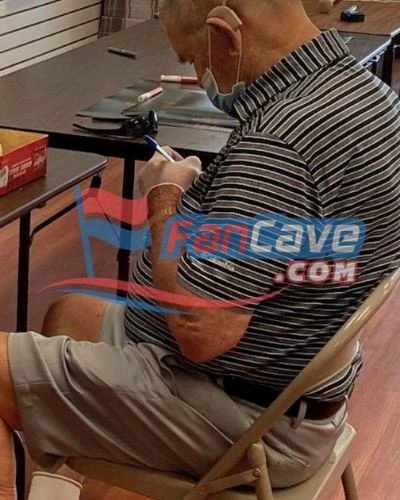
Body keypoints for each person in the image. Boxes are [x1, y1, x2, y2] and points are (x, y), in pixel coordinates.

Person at [1, 0, 400, 497]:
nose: (197, 73)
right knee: (69, 314)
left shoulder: (279, 143)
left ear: (224, 34)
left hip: (252, 422)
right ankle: (71, 479)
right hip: (293, 386)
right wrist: (209, 203)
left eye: (192, 58)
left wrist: (164, 197)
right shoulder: (367, 95)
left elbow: (201, 331)